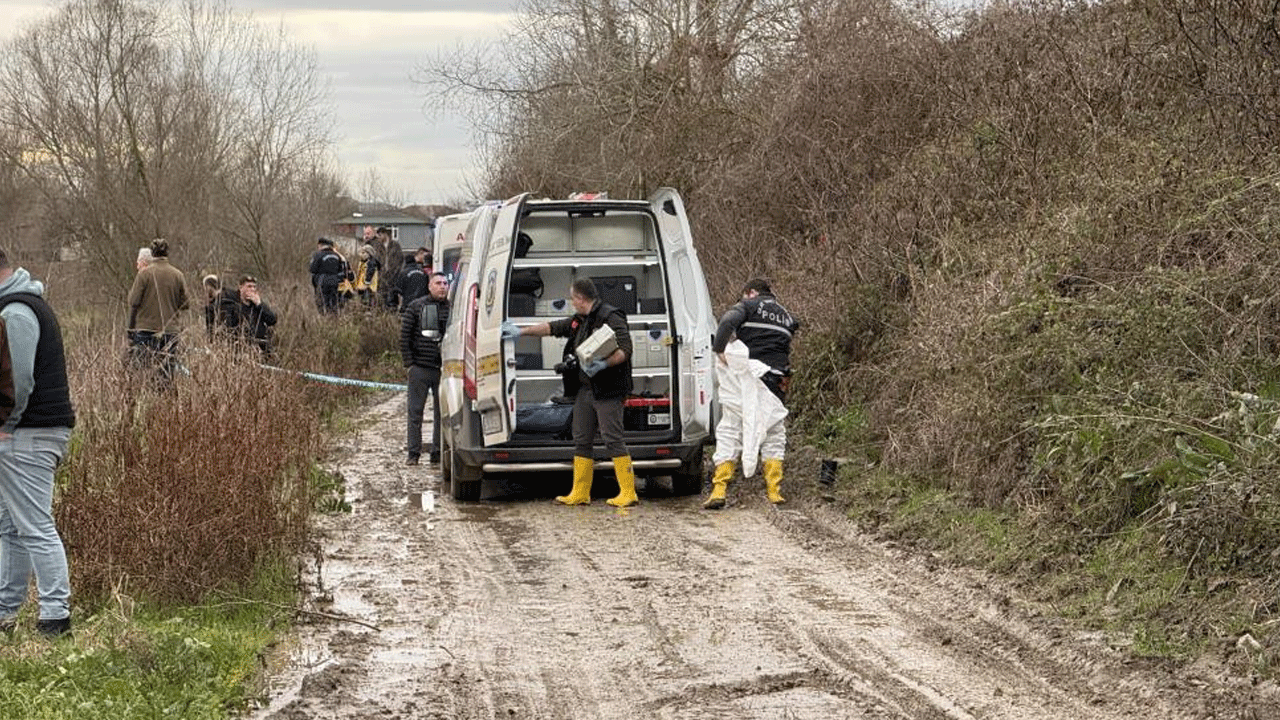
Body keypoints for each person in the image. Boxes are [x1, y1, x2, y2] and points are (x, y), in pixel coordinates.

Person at [502, 278, 637, 507]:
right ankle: (580, 492)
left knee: (612, 438)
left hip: (608, 390)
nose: (572, 302)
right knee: (581, 438)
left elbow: (626, 349)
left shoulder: (611, 317)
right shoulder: (580, 320)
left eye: (573, 298)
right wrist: (521, 332)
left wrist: (604, 364)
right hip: (586, 390)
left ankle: (628, 492)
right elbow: (552, 327)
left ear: (580, 298)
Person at [0, 248, 76, 637]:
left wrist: (6, 423)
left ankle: (55, 618)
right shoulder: (24, 303)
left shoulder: (15, 312)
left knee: (34, 526)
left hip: (27, 432)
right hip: (32, 430)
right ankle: (5, 612)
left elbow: (19, 380)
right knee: (12, 526)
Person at [704, 278, 799, 509]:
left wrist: (719, 350)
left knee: (731, 429)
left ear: (752, 292)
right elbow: (792, 330)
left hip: (747, 380)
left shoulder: (748, 305)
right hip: (776, 381)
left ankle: (719, 490)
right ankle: (774, 491)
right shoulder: (786, 315)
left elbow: (727, 322)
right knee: (773, 432)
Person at [400, 272, 450, 466]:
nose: (442, 286)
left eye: (445, 283)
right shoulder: (416, 307)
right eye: (438, 283)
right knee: (415, 413)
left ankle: (437, 453)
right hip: (420, 368)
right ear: (430, 286)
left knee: (442, 414)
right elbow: (404, 337)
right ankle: (413, 453)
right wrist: (410, 364)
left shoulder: (453, 309)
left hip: (444, 370)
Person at [126, 238, 188, 382]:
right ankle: (165, 394)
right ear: (167, 253)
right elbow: (185, 304)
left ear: (152, 253)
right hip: (171, 331)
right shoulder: (178, 275)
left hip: (146, 330)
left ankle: (147, 395)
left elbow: (133, 301)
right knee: (166, 373)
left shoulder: (144, 274)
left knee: (142, 372)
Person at [234, 275, 277, 360]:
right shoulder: (234, 305)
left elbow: (272, 320)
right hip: (242, 350)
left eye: (254, 287)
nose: (252, 289)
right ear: (240, 287)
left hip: (261, 350)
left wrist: (259, 304)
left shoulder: (258, 306)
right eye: (249, 286)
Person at [308, 237, 347, 314]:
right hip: (335, 282)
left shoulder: (318, 255)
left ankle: (323, 317)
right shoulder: (337, 256)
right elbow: (342, 271)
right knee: (333, 303)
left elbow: (312, 269)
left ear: (320, 245)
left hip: (322, 281)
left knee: (322, 302)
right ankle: (333, 317)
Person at [202, 274, 240, 341]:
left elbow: (212, 328)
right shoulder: (233, 296)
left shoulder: (218, 304)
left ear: (208, 287)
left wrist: (207, 308)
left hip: (225, 341)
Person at [389, 247, 427, 312]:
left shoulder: (403, 273)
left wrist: (393, 306)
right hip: (422, 305)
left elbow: (396, 290)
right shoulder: (423, 272)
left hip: (408, 305)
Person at [376, 227, 404, 309]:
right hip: (382, 278)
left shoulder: (395, 245)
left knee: (393, 299)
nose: (378, 238)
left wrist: (395, 272)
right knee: (382, 300)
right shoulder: (378, 247)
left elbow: (400, 260)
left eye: (380, 235)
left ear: (385, 234)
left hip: (394, 277)